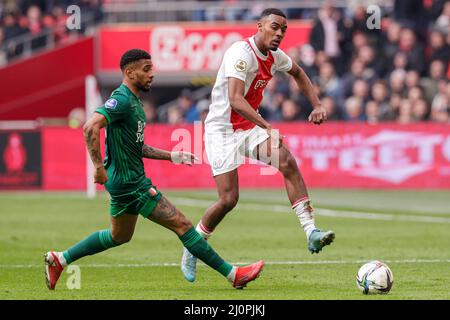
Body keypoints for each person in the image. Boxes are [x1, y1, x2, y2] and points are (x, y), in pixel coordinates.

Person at [44, 49, 264, 290]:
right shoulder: (121, 100)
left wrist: (171, 156)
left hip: (122, 182)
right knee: (183, 225)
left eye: (152, 68)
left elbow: (137, 147)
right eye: (146, 69)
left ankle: (60, 259)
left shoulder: (135, 102)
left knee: (119, 236)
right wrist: (97, 167)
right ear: (129, 72)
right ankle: (234, 275)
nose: (152, 74)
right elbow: (89, 127)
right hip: (132, 183)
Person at [181, 8, 335, 283]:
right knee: (228, 199)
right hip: (222, 130)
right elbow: (235, 99)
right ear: (260, 26)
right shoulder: (241, 53)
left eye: (283, 30)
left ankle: (311, 231)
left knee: (286, 161)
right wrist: (268, 127)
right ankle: (192, 247)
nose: (279, 34)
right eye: (274, 27)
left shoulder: (276, 57)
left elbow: (298, 73)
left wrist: (317, 104)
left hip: (249, 128)